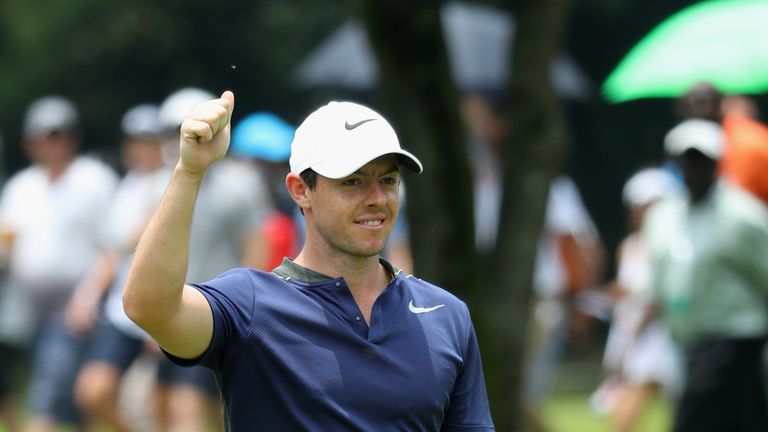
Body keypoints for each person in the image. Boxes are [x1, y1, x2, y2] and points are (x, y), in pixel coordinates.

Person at [123, 92, 495, 431]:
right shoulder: (251, 304)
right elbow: (149, 307)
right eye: (352, 182)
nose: (377, 198)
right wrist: (190, 173)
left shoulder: (446, 314)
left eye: (389, 180)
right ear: (301, 190)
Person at [0, 96, 118, 432]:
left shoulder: (93, 179)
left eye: (59, 134)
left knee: (47, 395)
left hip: (74, 305)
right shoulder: (21, 187)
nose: (52, 143)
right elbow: (9, 245)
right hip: (28, 308)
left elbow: (113, 248)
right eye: (43, 136)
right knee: (73, 406)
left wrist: (88, 295)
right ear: (29, 142)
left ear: (72, 137)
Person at [643, 119, 768, 432]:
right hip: (689, 341)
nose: (693, 169)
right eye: (686, 160)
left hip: (737, 337)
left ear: (716, 163)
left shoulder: (741, 215)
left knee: (692, 421)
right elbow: (659, 279)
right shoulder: (665, 216)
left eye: (701, 160)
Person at [73, 103, 172, 432]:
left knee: (161, 408)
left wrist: (164, 322)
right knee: (92, 391)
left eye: (149, 139)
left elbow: (146, 242)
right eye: (136, 139)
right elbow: (112, 252)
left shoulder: (173, 182)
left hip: (159, 308)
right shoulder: (126, 186)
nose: (142, 147)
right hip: (121, 310)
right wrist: (87, 296)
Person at [591, 167, 681, 432]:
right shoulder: (629, 246)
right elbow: (626, 289)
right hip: (633, 334)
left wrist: (642, 322)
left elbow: (662, 293)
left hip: (662, 335)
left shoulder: (674, 244)